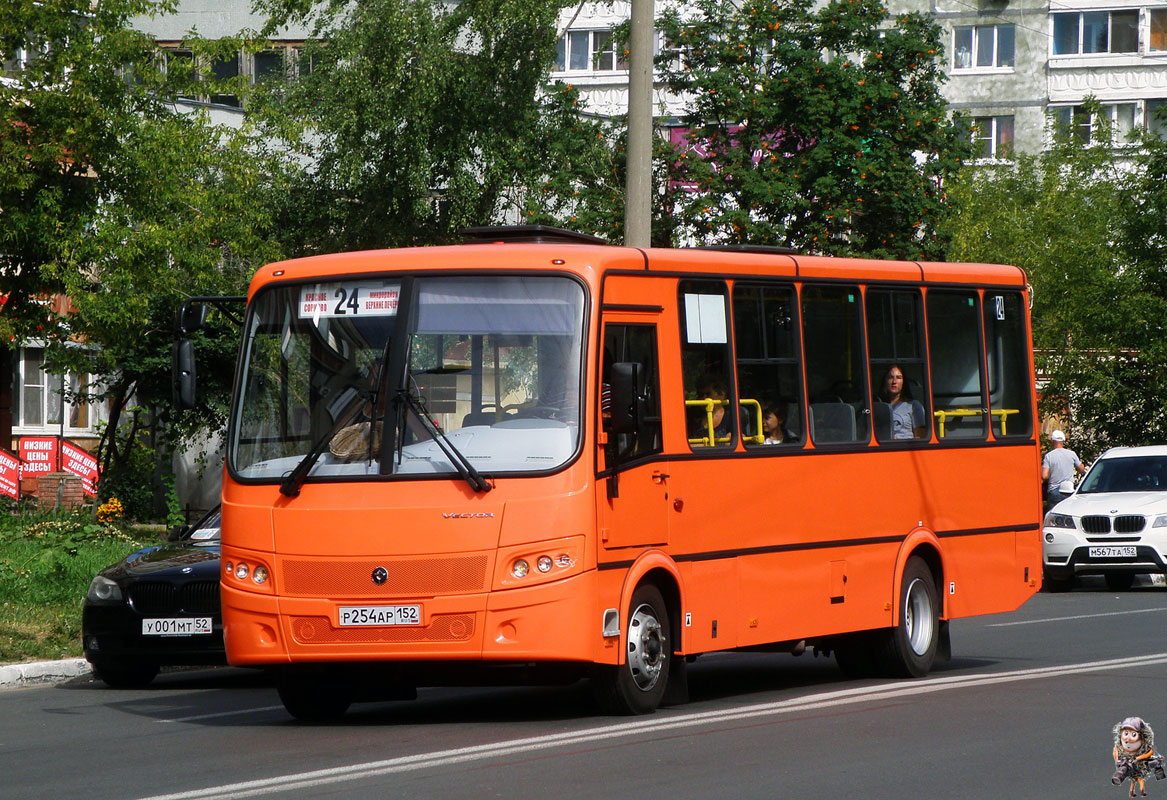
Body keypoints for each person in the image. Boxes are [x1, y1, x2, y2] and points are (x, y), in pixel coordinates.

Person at [879, 365, 926, 440]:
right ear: (885, 381)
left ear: (903, 382)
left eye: (898, 377)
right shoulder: (879, 407)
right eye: (890, 377)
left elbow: (920, 437)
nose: (894, 381)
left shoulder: (913, 405)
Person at [1042, 429, 1085, 508]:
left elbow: (1044, 476)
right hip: (1069, 490)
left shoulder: (1049, 456)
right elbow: (1081, 469)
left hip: (1054, 491)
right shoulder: (1071, 454)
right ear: (1063, 441)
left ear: (1052, 441)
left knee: (1053, 517)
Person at [689, 376, 731, 445]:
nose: (704, 398)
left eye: (708, 394)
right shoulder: (695, 419)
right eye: (701, 395)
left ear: (721, 394)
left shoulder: (731, 417)